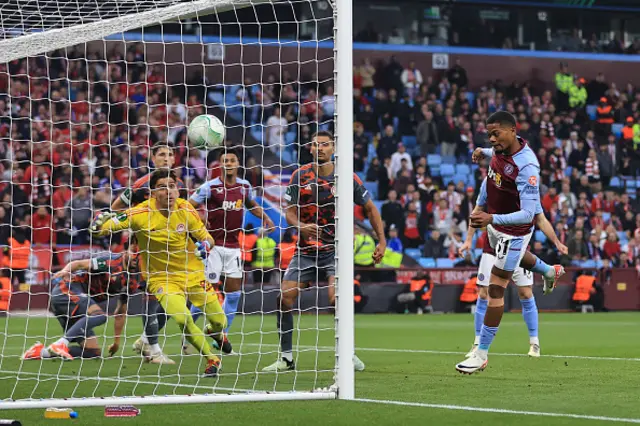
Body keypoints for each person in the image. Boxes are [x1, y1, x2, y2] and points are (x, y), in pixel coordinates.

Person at [262, 131, 386, 372]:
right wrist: (300, 226)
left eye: (325, 145)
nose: (320, 149)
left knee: (335, 299)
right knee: (284, 297)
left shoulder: (346, 177)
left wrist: (381, 241)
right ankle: (286, 358)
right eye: (316, 145)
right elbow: (289, 211)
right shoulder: (300, 175)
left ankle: (347, 353)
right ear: (310, 148)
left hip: (336, 250)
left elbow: (370, 209)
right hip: (305, 250)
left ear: (333, 148)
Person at [456, 112, 565, 374]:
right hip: (495, 226)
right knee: (518, 261)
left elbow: (530, 214)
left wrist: (491, 217)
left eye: (497, 134)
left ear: (513, 131)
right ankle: (550, 271)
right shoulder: (500, 149)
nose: (492, 139)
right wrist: (482, 150)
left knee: (495, 290)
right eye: (489, 135)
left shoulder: (527, 166)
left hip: (513, 232)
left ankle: (481, 354)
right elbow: (493, 153)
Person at [91, 169, 226, 378]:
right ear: (154, 192)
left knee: (220, 321)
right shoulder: (140, 213)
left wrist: (206, 246)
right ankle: (212, 358)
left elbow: (207, 237)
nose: (169, 191)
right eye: (163, 187)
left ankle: (214, 330)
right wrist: (97, 226)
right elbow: (107, 226)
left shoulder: (186, 209)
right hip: (161, 278)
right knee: (183, 319)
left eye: (172, 186)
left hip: (193, 274)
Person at [459, 177, 569, 358]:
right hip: (492, 248)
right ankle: (478, 343)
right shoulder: (490, 182)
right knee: (484, 293)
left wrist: (556, 242)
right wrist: (469, 240)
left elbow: (540, 219)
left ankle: (534, 343)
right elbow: (477, 211)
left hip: (518, 248)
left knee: (525, 292)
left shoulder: (528, 189)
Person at [188, 149, 274, 339]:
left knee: (234, 295)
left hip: (234, 247)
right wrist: (201, 218)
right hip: (213, 247)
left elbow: (250, 204)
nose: (228, 163)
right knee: (205, 295)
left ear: (237, 164)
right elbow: (187, 206)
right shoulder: (209, 187)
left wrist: (266, 217)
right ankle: (189, 332)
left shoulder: (244, 186)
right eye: (224, 160)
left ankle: (222, 337)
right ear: (220, 164)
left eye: (232, 160)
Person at [110, 141, 181, 363]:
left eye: (170, 154)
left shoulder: (175, 184)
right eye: (161, 154)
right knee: (152, 298)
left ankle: (144, 339)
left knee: (178, 298)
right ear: (153, 159)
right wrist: (135, 233)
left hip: (171, 249)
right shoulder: (142, 185)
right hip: (146, 250)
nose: (166, 158)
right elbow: (115, 208)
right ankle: (154, 350)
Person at [22, 243, 141, 361]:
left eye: (139, 254)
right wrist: (65, 271)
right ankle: (61, 343)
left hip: (77, 304)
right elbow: (78, 264)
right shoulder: (111, 261)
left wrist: (116, 342)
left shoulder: (132, 281)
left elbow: (120, 313)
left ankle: (41, 352)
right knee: (100, 316)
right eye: (133, 252)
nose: (136, 257)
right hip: (67, 290)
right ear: (126, 251)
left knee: (93, 352)